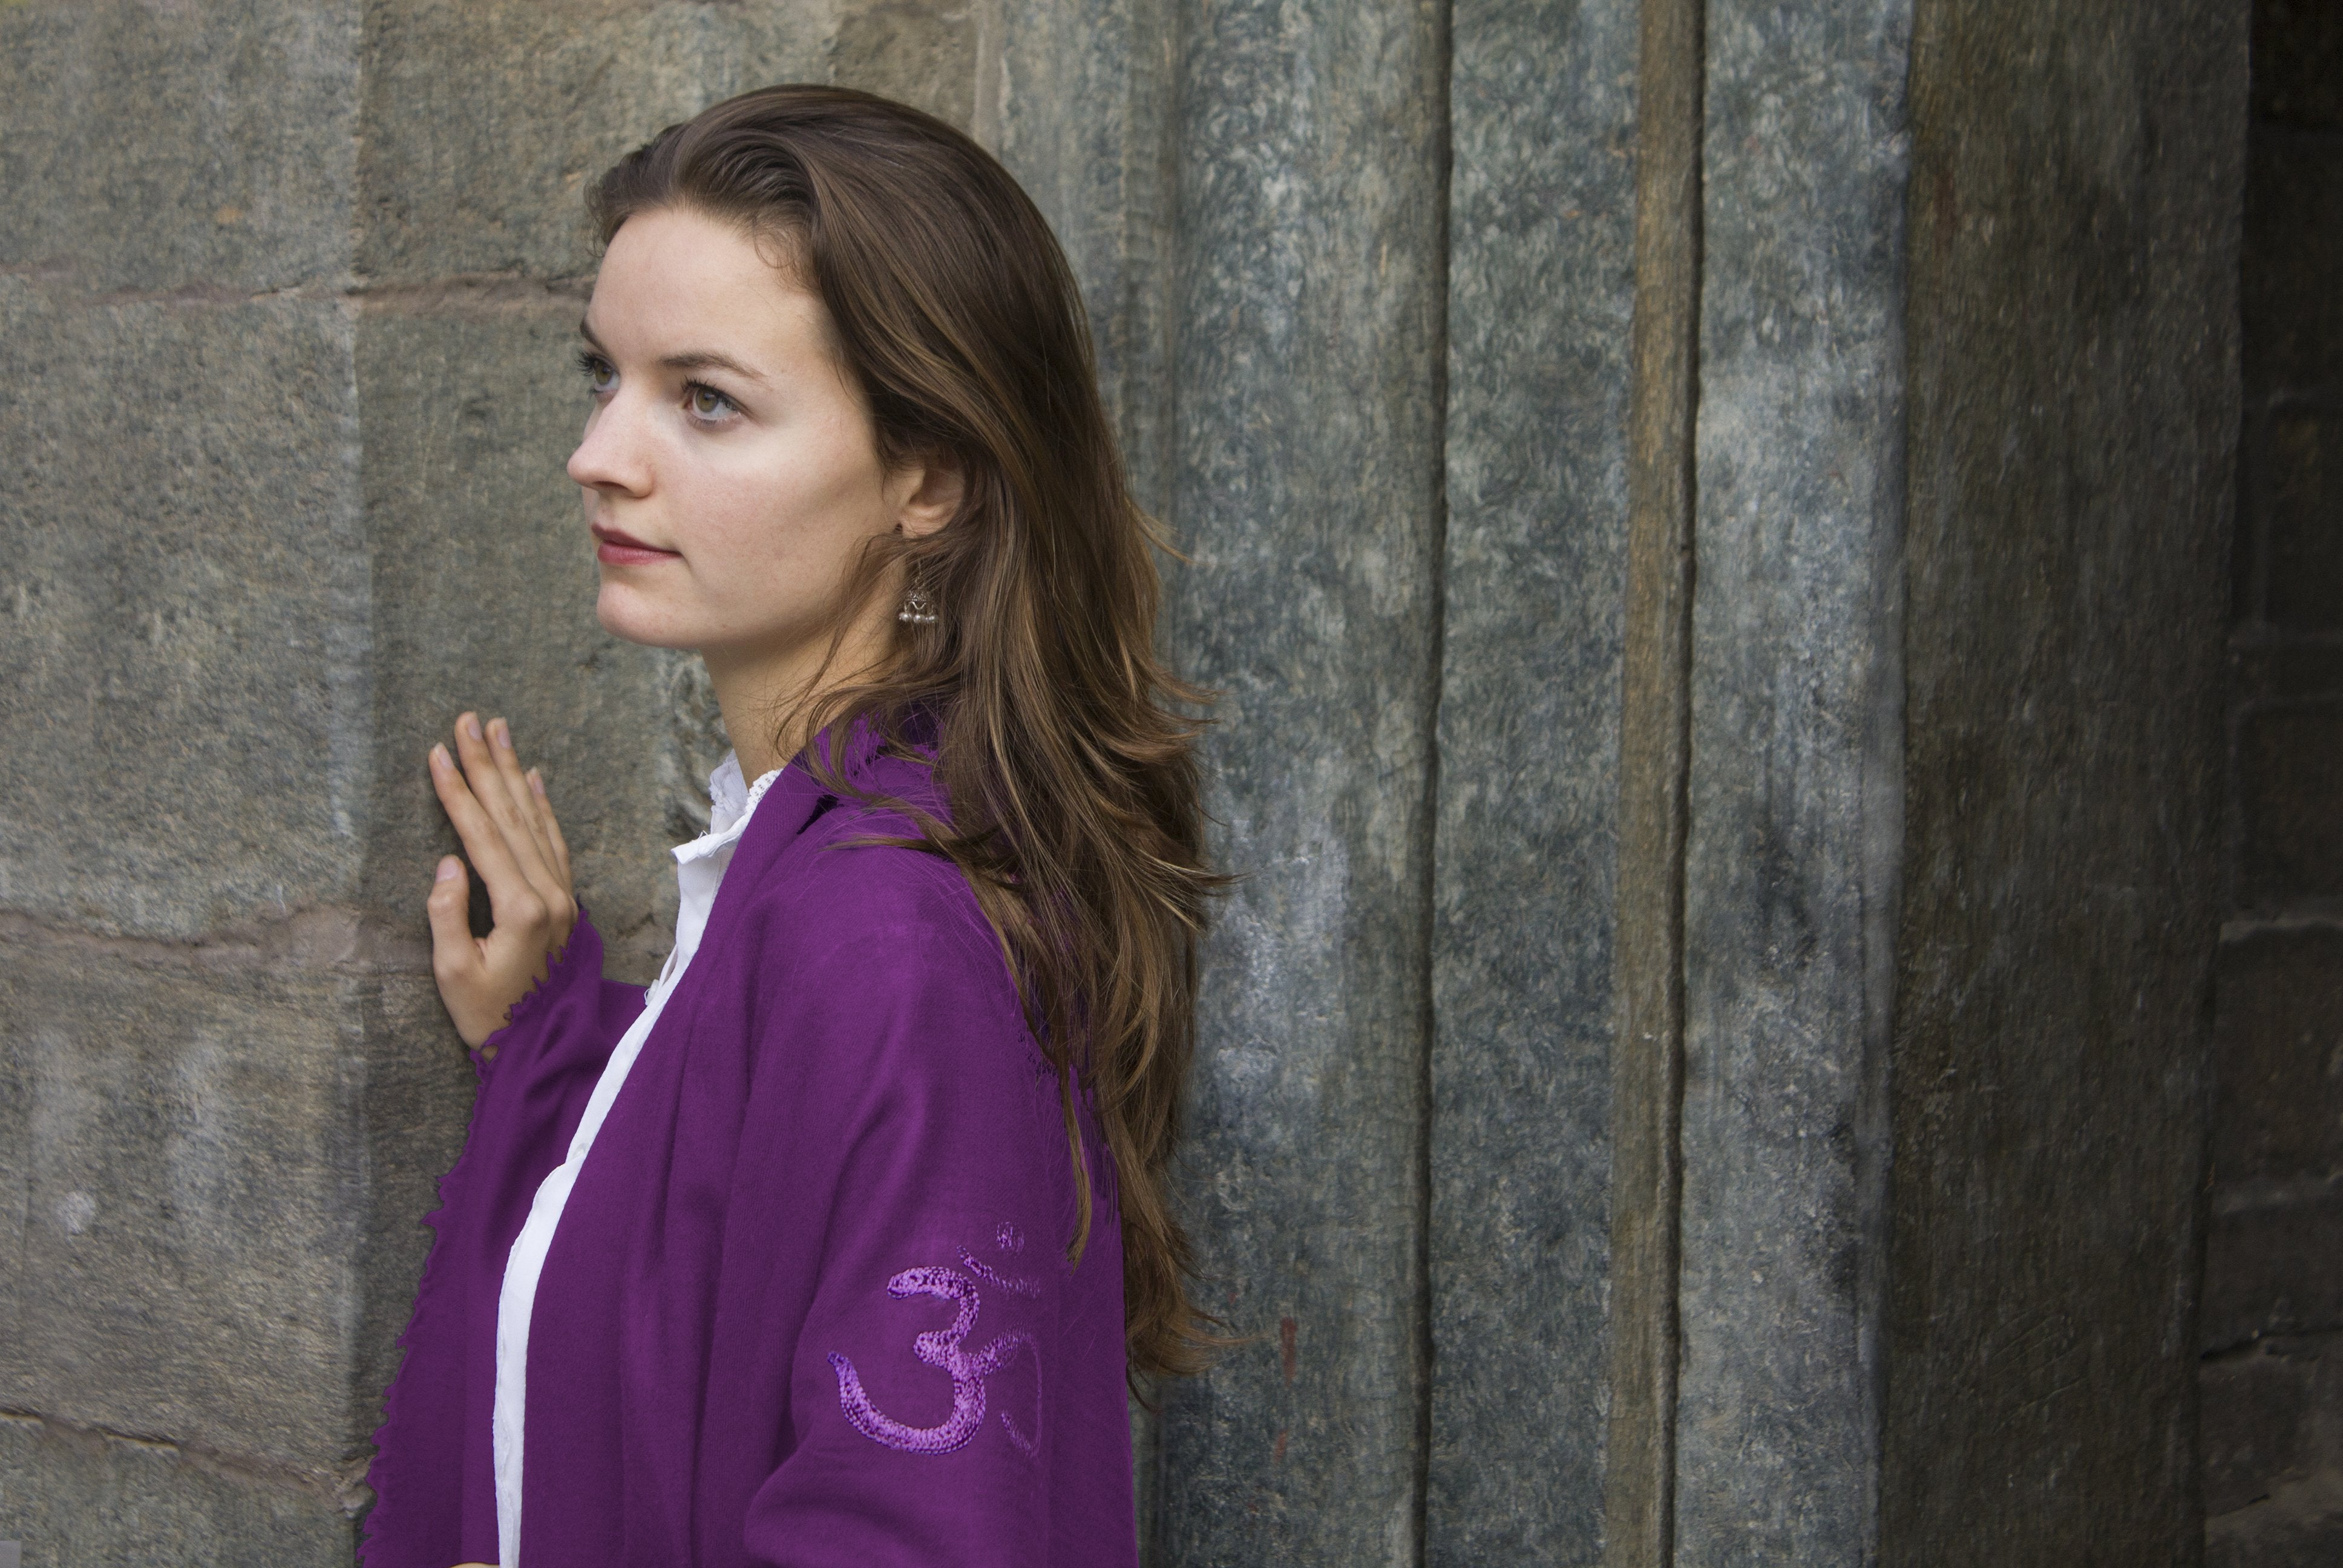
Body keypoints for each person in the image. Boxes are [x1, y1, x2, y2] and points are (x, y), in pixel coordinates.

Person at [358, 85, 1220, 1568]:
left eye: (705, 400)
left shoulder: (881, 930)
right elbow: (690, 1310)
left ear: (926, 477)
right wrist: (563, 1050)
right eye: (604, 374)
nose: (599, 453)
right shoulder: (803, 865)